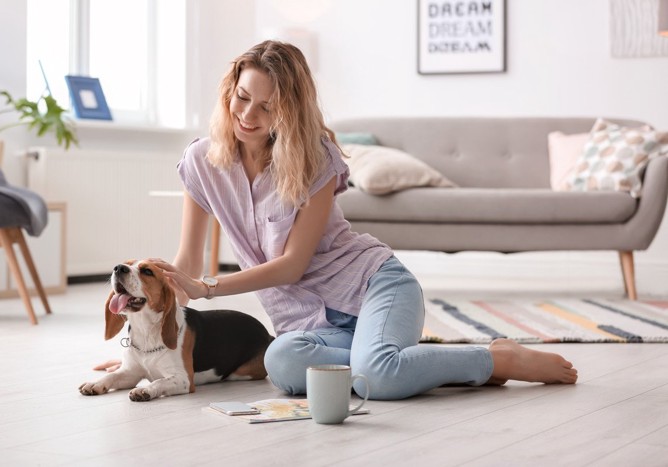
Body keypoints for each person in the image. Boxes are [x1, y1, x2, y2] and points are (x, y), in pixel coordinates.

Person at [98, 40, 578, 399]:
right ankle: (395, 359)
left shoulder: (313, 158)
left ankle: (496, 358)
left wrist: (209, 287)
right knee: (280, 363)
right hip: (310, 326)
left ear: (288, 110)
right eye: (242, 97)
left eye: (267, 106)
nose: (248, 114)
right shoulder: (203, 162)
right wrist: (148, 354)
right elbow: (185, 261)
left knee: (376, 376)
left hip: (375, 288)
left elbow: (291, 266)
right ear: (230, 89)